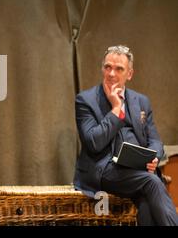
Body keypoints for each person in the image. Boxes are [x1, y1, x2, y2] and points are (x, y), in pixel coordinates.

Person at [73, 45, 178, 226]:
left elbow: (154, 139)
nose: (112, 73)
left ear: (129, 74)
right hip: (103, 170)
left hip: (136, 171)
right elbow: (93, 143)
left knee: (147, 202)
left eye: (119, 68)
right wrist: (116, 110)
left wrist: (153, 156)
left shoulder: (141, 101)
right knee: (152, 183)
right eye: (107, 67)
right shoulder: (85, 100)